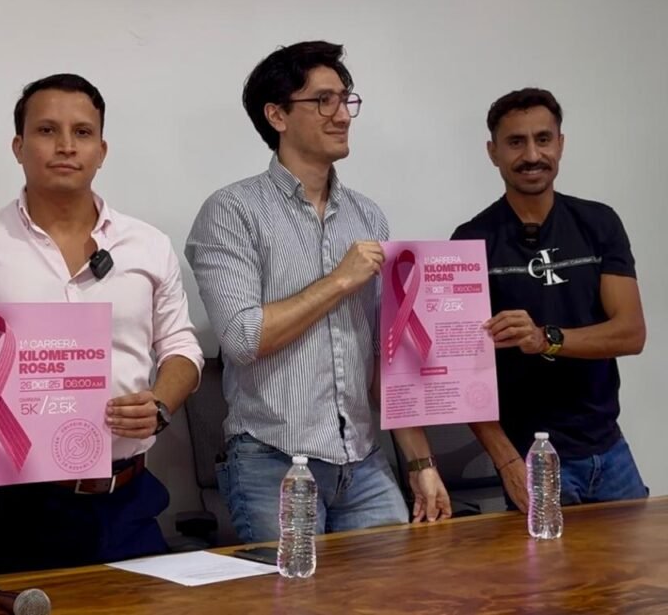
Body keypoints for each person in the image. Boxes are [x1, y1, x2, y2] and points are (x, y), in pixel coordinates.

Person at [186, 41, 451, 543]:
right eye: (323, 101)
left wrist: (420, 462)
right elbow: (243, 338)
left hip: (365, 461)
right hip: (273, 462)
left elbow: (387, 355)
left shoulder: (367, 215)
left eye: (345, 100)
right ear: (277, 115)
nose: (342, 115)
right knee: (292, 590)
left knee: (396, 584)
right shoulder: (231, 211)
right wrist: (340, 280)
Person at [0, 73, 203, 572]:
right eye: (47, 130)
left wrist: (160, 403)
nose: (66, 146)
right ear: (18, 146)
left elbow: (181, 345)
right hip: (17, 503)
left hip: (127, 496)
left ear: (102, 150)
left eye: (83, 132)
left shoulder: (147, 245)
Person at [452, 87, 648, 511]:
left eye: (543, 139)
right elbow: (460, 371)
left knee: (644, 555)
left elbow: (630, 333)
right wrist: (507, 462)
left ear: (560, 144)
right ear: (492, 152)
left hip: (610, 449)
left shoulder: (599, 223)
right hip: (533, 456)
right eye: (515, 142)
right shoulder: (470, 241)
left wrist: (545, 339)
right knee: (548, 560)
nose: (532, 155)